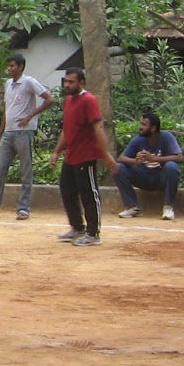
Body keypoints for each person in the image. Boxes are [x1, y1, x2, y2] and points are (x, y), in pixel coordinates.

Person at [0, 52, 54, 220]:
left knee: (25, 170)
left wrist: (30, 116)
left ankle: (23, 208)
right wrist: (0, 134)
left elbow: (49, 99)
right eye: (8, 66)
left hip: (23, 132)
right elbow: (6, 110)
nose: (9, 69)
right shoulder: (8, 84)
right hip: (9, 132)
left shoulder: (29, 82)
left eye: (12, 66)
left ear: (20, 67)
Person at [50, 67, 115, 247]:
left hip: (85, 155)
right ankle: (77, 227)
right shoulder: (69, 101)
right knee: (67, 190)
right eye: (66, 81)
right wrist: (57, 151)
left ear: (81, 82)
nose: (67, 85)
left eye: (71, 82)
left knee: (89, 194)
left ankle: (93, 233)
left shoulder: (89, 100)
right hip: (71, 155)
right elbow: (67, 129)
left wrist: (106, 155)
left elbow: (98, 128)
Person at [113, 112, 184, 220]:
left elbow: (179, 157)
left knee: (171, 167)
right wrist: (135, 161)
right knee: (118, 167)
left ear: (153, 128)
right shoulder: (138, 140)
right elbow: (121, 158)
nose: (140, 127)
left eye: (144, 125)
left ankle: (168, 207)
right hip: (144, 177)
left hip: (160, 178)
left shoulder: (166, 137)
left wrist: (154, 159)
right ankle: (132, 207)